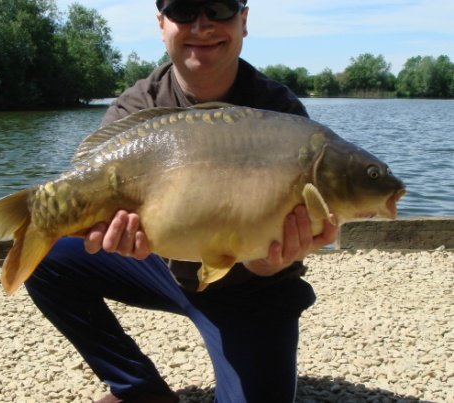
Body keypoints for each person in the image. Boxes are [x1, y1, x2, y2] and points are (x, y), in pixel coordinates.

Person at [25, 1, 338, 402]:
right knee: (48, 259)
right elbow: (98, 197)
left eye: (220, 8)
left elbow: (273, 253)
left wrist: (267, 260)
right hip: (161, 265)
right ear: (161, 24)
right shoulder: (137, 107)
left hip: (253, 289)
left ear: (243, 20)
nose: (202, 24)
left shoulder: (281, 115)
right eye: (184, 10)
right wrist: (111, 235)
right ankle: (139, 389)